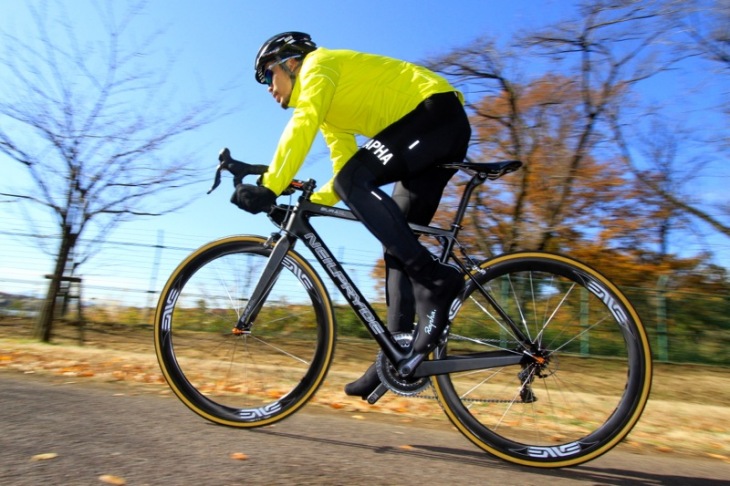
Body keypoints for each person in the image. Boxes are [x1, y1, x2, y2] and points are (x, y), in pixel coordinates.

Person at [232, 32, 471, 399]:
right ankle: (397, 357)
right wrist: (303, 198)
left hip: (434, 115)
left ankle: (437, 281)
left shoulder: (319, 66)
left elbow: (305, 123)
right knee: (399, 250)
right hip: (429, 136)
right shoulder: (330, 110)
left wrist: (271, 184)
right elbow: (344, 170)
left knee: (408, 251)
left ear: (290, 63)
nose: (267, 87)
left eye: (267, 75)